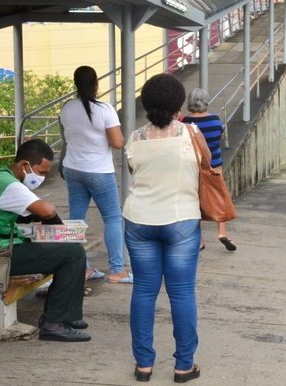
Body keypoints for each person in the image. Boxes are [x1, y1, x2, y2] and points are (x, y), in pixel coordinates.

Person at [122, 74, 204, 383]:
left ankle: (144, 365)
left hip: (139, 220)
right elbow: (207, 166)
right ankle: (183, 366)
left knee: (143, 291)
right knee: (181, 293)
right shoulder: (190, 133)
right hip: (180, 219)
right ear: (178, 103)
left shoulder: (136, 137)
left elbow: (133, 169)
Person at [0, 139, 90, 342]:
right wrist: (60, 230)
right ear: (25, 166)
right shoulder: (10, 185)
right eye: (41, 173)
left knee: (63, 250)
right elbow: (47, 211)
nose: (42, 178)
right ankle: (54, 324)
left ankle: (67, 316)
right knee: (72, 253)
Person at [59, 66, 131, 284]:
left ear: (75, 82)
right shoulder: (105, 109)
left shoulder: (67, 108)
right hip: (98, 171)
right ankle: (117, 270)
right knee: (112, 217)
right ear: (96, 83)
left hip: (72, 168)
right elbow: (118, 143)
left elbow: (67, 137)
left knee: (76, 218)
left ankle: (83, 268)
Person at [180, 88, 235, 252]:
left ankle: (199, 240)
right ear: (206, 102)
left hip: (194, 166)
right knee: (219, 196)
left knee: (196, 201)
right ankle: (222, 232)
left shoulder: (185, 123)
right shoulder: (215, 120)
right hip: (214, 164)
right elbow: (221, 136)